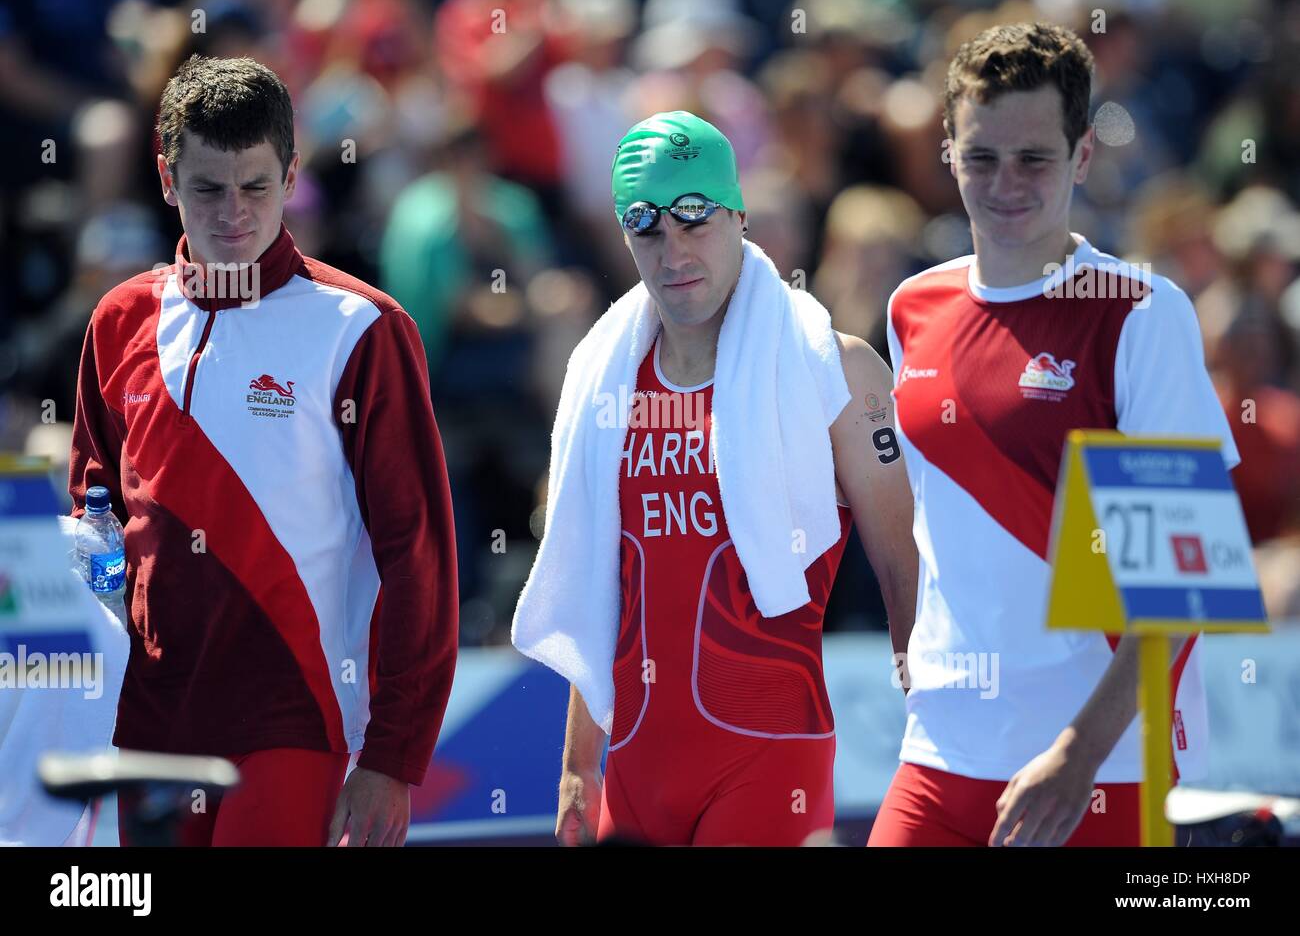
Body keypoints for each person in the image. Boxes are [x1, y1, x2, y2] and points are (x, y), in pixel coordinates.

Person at [67, 55, 459, 847]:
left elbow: (419, 557)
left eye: (257, 187)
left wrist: (392, 757)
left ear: (292, 174)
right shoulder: (118, 320)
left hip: (297, 722)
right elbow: (92, 509)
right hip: (141, 726)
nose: (234, 214)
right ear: (167, 179)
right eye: (208, 188)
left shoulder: (363, 329)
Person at [870, 22, 1240, 847]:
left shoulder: (1139, 313)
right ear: (947, 153)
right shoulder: (910, 308)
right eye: (981, 157)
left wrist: (1078, 752)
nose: (1005, 183)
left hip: (1101, 769)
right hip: (939, 751)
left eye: (1034, 158)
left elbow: (1184, 589)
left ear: (1081, 156)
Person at [512, 111, 919, 846]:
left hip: (769, 763)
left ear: (738, 214)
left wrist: (937, 724)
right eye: (647, 230)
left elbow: (905, 564)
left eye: (694, 221)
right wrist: (579, 758)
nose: (673, 253)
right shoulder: (605, 376)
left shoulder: (836, 369)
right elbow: (597, 576)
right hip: (635, 765)